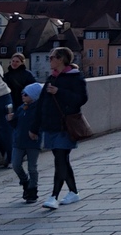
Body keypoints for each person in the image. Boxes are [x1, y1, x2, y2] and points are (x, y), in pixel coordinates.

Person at [32, 47, 88, 210]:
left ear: (61, 59)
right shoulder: (52, 78)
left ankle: (54, 196)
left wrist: (59, 92)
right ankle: (73, 192)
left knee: (60, 159)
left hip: (65, 125)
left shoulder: (75, 77)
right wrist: (35, 128)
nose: (49, 60)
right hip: (51, 126)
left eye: (51, 57)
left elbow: (81, 99)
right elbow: (41, 104)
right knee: (62, 159)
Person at [11, 82, 43, 203]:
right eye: (22, 93)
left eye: (26, 94)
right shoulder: (21, 108)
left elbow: (42, 124)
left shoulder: (38, 109)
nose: (23, 96)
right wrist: (10, 119)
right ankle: (25, 181)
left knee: (32, 167)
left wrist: (36, 132)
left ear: (34, 96)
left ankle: (32, 190)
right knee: (15, 164)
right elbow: (15, 124)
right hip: (18, 141)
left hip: (32, 142)